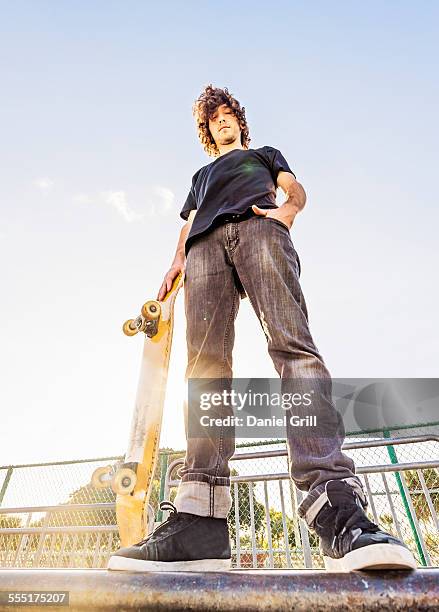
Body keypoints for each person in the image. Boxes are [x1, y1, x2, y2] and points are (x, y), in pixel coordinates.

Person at [108, 85, 416, 573]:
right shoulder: (201, 176)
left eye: (230, 116)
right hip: (204, 250)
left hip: (259, 229)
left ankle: (333, 502)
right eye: (215, 119)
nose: (224, 122)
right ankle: (200, 520)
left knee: (294, 350)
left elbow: (296, 189)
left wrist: (286, 213)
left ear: (240, 123)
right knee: (205, 370)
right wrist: (174, 262)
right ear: (207, 131)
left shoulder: (264, 155)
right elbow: (187, 225)